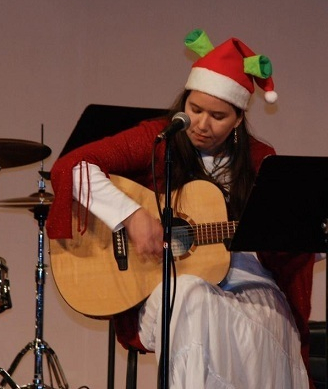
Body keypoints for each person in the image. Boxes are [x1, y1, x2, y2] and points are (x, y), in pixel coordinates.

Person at [46, 29, 315, 388]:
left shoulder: (261, 160)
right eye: (195, 109)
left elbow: (291, 241)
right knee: (188, 293)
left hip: (250, 290)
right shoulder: (159, 138)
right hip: (170, 289)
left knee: (210, 305)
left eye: (217, 116)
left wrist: (309, 233)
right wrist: (131, 216)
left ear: (238, 119)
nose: (201, 124)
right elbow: (72, 167)